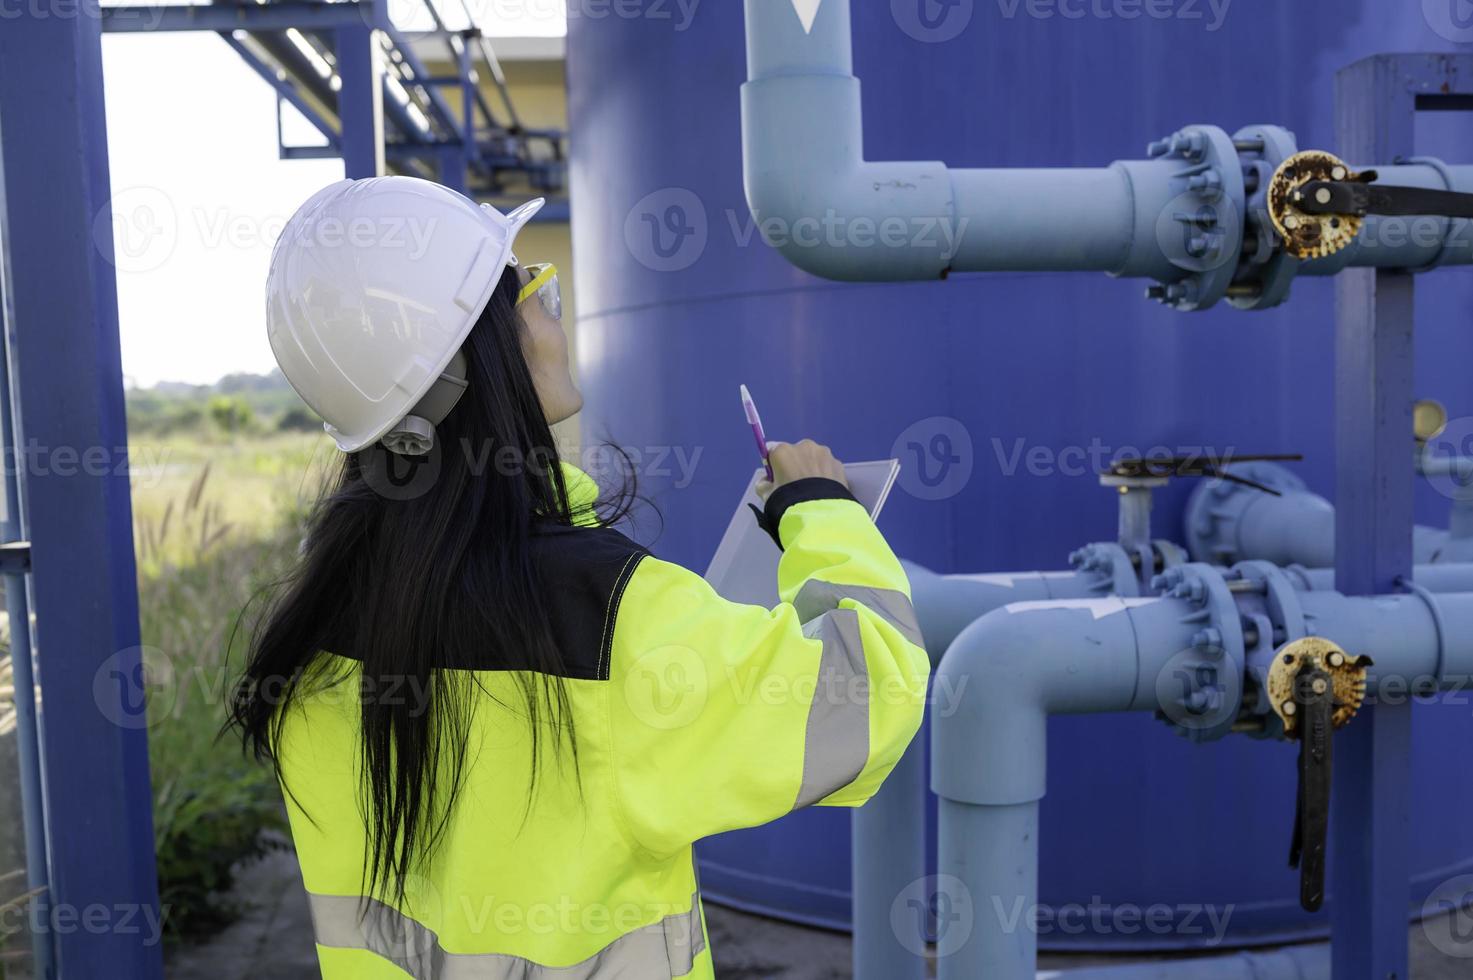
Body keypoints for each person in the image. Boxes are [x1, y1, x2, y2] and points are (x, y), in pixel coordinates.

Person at [229, 175, 929, 979]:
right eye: (530, 289)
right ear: (478, 356)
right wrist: (819, 510)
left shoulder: (311, 632)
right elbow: (868, 694)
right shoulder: (613, 620)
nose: (548, 313)